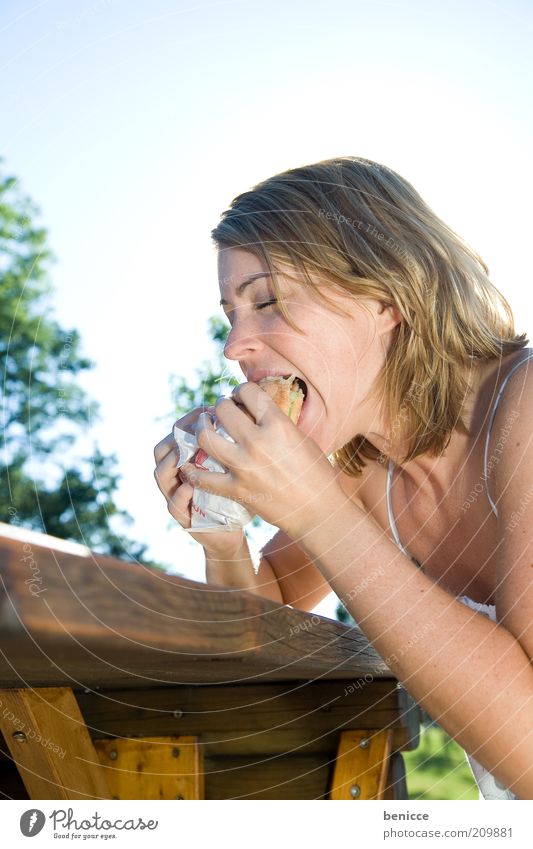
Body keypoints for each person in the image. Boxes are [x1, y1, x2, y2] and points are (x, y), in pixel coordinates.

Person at [154, 157, 532, 800]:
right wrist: (223, 536)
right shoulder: (364, 473)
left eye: (267, 301)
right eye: (231, 315)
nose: (234, 346)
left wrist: (322, 515)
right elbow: (262, 626)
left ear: (387, 295)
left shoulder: (523, 408)